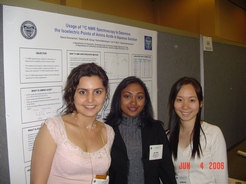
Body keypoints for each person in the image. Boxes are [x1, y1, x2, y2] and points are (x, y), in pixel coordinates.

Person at [30, 63, 115, 184]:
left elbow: (102, 177)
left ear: (105, 94)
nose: (90, 100)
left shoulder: (108, 132)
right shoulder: (54, 128)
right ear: (72, 94)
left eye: (97, 92)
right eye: (82, 92)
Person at [105, 76, 177, 184]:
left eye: (139, 97)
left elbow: (166, 169)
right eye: (127, 96)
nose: (133, 102)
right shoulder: (107, 130)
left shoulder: (155, 129)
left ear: (145, 101)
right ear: (118, 98)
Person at [167, 77, 228, 184]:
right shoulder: (167, 136)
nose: (185, 106)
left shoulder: (213, 134)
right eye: (179, 100)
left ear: (200, 103)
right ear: (173, 102)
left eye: (192, 100)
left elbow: (221, 178)